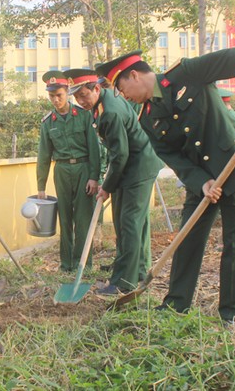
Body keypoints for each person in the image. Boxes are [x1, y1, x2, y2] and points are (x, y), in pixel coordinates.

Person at [112, 48, 235, 323]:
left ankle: (232, 313)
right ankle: (176, 305)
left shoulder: (187, 73)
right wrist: (200, 181)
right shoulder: (147, 117)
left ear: (134, 75)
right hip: (201, 182)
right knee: (187, 240)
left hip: (234, 168)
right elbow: (171, 155)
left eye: (123, 89)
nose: (125, 97)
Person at [66, 63, 164, 295]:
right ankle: (139, 271)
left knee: (129, 223)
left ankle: (124, 283)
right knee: (130, 222)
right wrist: (110, 183)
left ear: (96, 89)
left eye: (84, 95)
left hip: (138, 167)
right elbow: (117, 153)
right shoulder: (106, 100)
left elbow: (120, 154)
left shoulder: (109, 112)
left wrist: (107, 186)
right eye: (78, 98)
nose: (82, 101)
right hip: (130, 165)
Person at [37, 71, 100, 272]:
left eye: (59, 95)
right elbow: (44, 156)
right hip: (62, 170)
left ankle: (84, 265)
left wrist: (94, 177)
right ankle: (66, 265)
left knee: (83, 220)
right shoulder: (48, 123)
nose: (55, 100)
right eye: (51, 96)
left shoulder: (83, 116)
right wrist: (41, 187)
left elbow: (94, 150)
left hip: (83, 169)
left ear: (67, 93)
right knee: (64, 218)